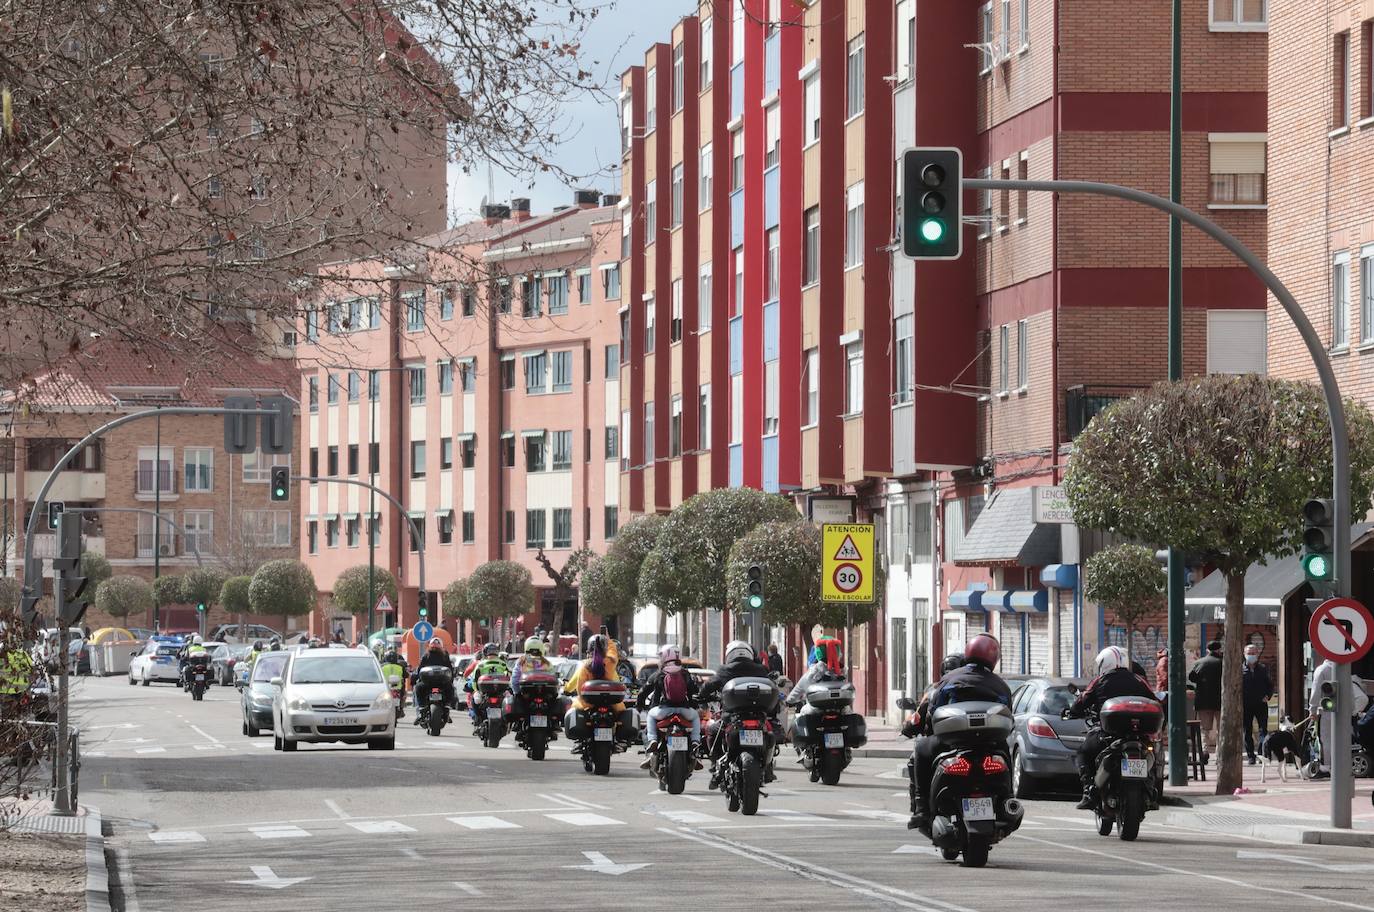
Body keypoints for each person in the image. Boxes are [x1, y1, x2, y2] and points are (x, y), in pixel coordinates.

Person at [907, 635, 1011, 830]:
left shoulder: (950, 679)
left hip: (952, 742)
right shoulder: (999, 684)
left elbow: (932, 710)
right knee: (1005, 752)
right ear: (994, 658)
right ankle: (1009, 801)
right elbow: (1009, 716)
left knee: (921, 748)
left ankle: (921, 807)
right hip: (990, 744)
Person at [1064, 646, 1157, 809]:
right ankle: (1150, 790)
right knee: (1151, 754)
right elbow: (1154, 699)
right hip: (1138, 735)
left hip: (1108, 735)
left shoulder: (1100, 680)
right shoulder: (1138, 679)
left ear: (1105, 664)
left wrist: (1072, 712)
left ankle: (1088, 792)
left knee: (1083, 753)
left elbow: (1082, 701)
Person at [699, 640, 780, 784]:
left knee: (711, 731)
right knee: (770, 733)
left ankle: (716, 767)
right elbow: (771, 687)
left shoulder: (725, 670)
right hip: (758, 717)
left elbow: (708, 687)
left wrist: (702, 694)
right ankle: (768, 769)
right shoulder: (760, 669)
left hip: (732, 718)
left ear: (729, 655)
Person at [636, 645, 702, 769]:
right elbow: (695, 691)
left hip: (663, 711)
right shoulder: (685, 673)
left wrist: (639, 706)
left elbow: (643, 692)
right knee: (695, 718)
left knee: (650, 716)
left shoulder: (659, 674)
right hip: (684, 711)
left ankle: (653, 741)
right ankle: (695, 742)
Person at [1188, 640, 1223, 762]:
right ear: (1219, 649)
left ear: (1207, 650)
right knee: (1221, 729)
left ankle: (1204, 751)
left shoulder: (1199, 662)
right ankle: (1220, 754)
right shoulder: (1223, 663)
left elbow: (1191, 677)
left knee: (1204, 729)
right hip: (1221, 702)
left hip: (1203, 702)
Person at [1241, 644, 1274, 766]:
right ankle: (1251, 756)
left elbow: (1270, 685)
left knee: (1263, 730)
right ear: (1244, 654)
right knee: (1247, 731)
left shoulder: (1263, 669)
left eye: (1253, 653)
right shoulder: (1240, 669)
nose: (1251, 655)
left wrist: (1268, 696)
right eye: (1249, 653)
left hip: (1261, 704)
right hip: (1246, 705)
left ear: (1257, 654)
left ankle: (1261, 754)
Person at [465, 643, 511, 723]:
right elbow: (510, 675)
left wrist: (476, 691)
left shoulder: (480, 664)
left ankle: (478, 719)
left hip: (486, 692)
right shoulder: (503, 663)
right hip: (498, 692)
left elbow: (474, 679)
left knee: (474, 700)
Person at [413, 639, 455, 721]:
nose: (435, 647)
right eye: (434, 645)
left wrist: (450, 678)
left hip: (438, 683)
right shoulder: (427, 655)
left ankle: (446, 706)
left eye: (436, 644)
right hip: (431, 683)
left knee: (450, 688)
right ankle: (422, 707)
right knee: (418, 688)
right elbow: (420, 669)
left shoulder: (444, 655)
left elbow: (450, 669)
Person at [381, 646, 409, 718]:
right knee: (403, 695)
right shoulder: (400, 666)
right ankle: (402, 708)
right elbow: (406, 675)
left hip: (386, 688)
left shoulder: (382, 666)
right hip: (398, 688)